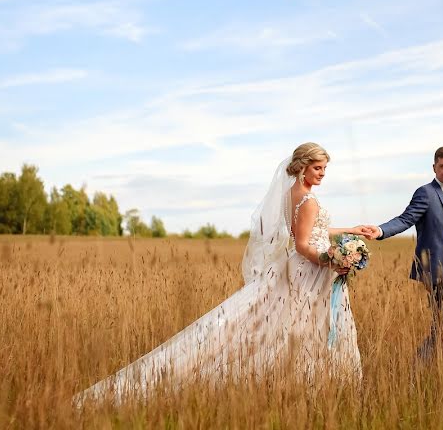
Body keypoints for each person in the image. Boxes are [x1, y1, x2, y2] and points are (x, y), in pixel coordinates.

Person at [74, 142, 364, 406]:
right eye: (318, 168)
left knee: (287, 327)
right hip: (310, 269)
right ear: (302, 167)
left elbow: (310, 230)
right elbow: (303, 244)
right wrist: (331, 259)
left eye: (325, 168)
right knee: (303, 328)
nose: (323, 174)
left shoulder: (292, 194)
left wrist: (349, 231)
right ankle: (304, 385)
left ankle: (294, 382)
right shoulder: (309, 200)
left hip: (298, 268)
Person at [361, 145, 443, 358]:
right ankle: (433, 373)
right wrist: (380, 230)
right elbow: (406, 219)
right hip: (437, 272)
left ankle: (423, 372)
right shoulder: (426, 193)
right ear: (434, 167)